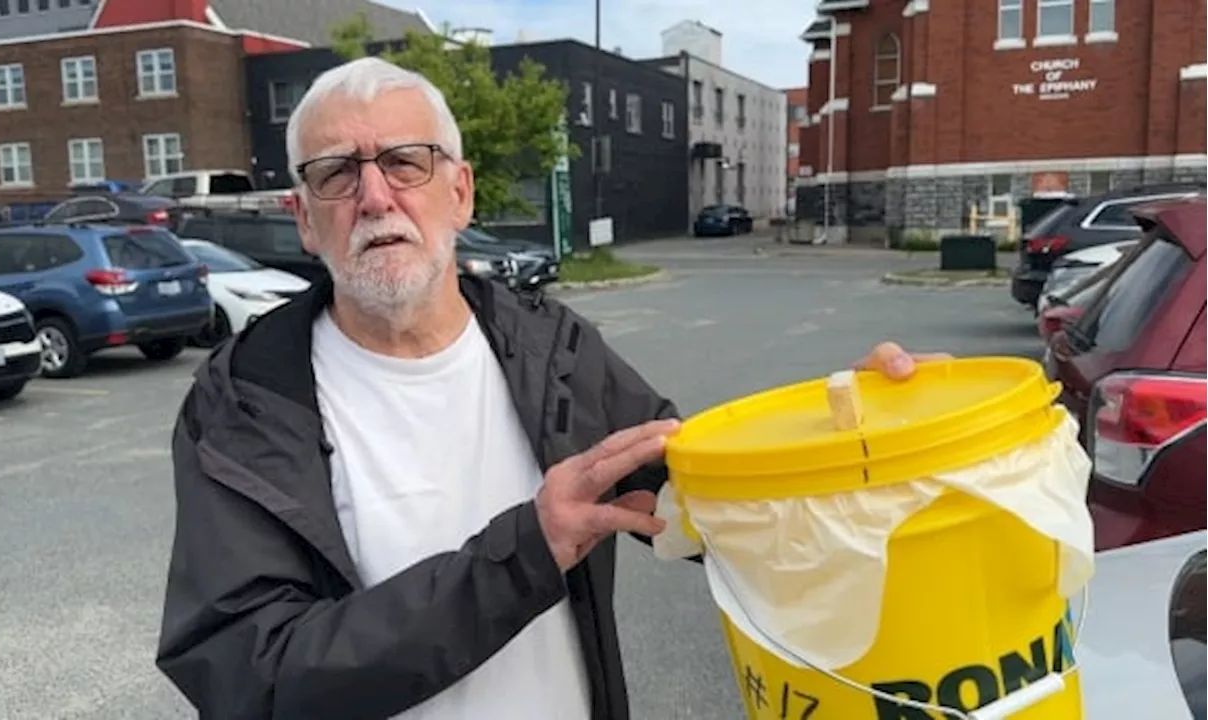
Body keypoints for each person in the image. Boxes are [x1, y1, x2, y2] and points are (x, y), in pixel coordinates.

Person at [154, 56, 949, 720]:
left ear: (459, 192)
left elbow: (709, 496)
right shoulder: (245, 404)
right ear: (302, 217)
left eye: (405, 162)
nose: (374, 196)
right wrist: (527, 552)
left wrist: (871, 437)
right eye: (336, 174)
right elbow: (247, 673)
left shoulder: (552, 348)